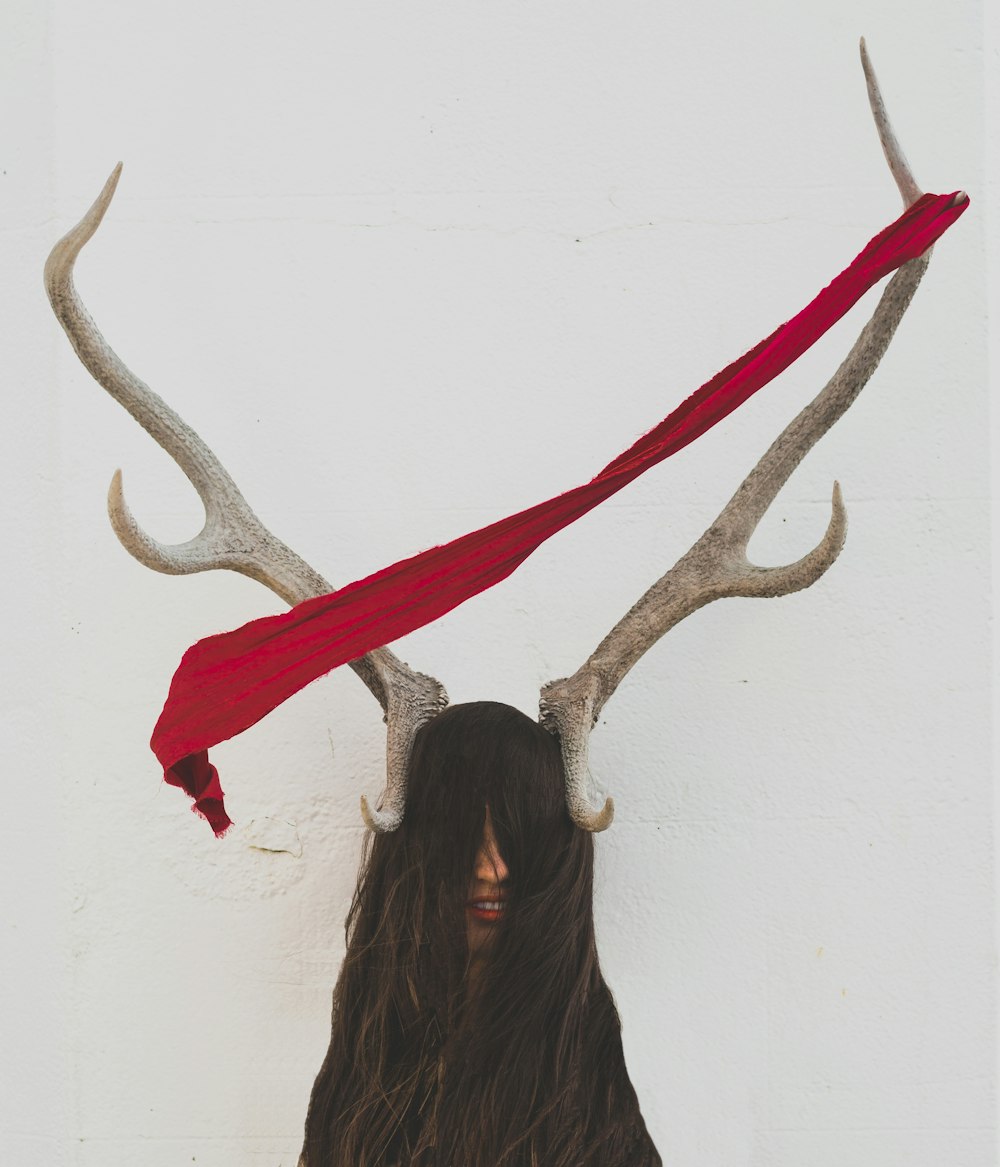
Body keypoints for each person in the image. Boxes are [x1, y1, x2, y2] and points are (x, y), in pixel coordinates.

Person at [299, 701, 661, 1166]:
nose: (493, 869)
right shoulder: (365, 1058)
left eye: (516, 835)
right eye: (463, 835)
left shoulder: (587, 1074)